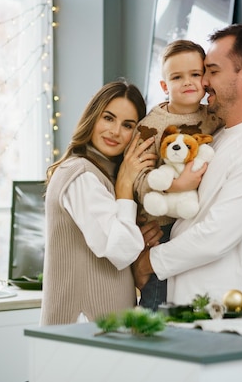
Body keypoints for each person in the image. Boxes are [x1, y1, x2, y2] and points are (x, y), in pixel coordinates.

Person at [132, 24, 242, 307]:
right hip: (178, 304)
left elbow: (215, 236)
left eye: (213, 71)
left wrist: (147, 263)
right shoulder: (213, 137)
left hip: (221, 311)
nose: (203, 81)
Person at [40, 80, 163, 326]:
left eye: (127, 125)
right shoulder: (81, 175)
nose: (115, 131)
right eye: (108, 118)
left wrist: (139, 239)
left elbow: (121, 246)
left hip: (106, 328)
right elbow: (120, 249)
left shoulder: (104, 176)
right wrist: (126, 186)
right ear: (93, 118)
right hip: (83, 329)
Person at [130, 39, 223, 310]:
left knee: (190, 296)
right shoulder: (151, 126)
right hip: (160, 226)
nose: (188, 82)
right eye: (177, 77)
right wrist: (174, 185)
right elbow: (136, 177)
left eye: (195, 74)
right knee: (158, 295)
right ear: (164, 86)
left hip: (195, 220)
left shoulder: (214, 119)